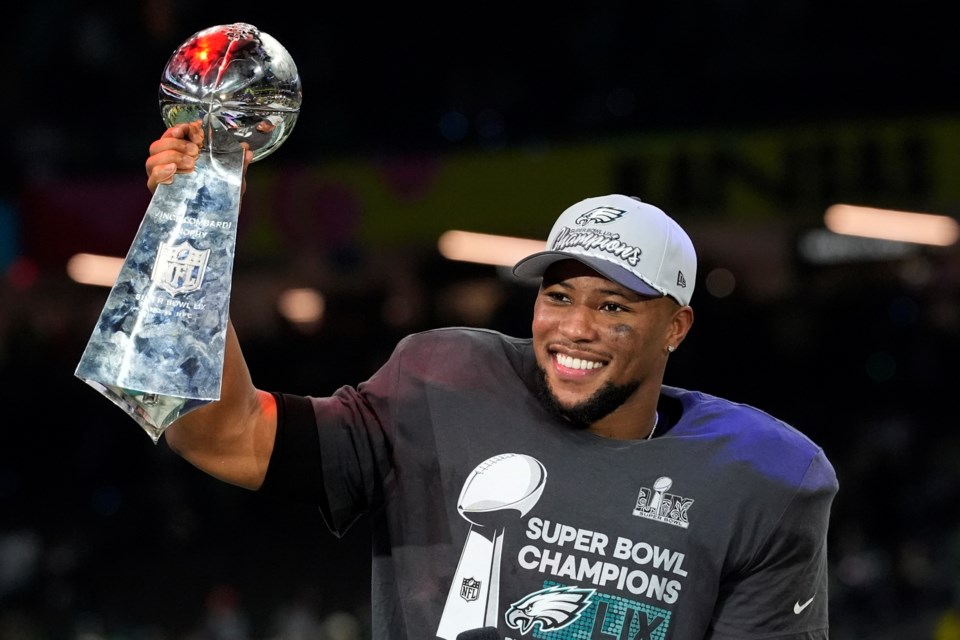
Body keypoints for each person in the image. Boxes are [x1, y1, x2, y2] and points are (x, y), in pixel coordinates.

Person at [143, 121, 839, 640]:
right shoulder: (440, 383)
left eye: (614, 306)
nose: (575, 328)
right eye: (559, 297)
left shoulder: (763, 477)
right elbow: (218, 434)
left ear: (676, 329)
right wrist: (189, 226)